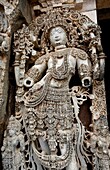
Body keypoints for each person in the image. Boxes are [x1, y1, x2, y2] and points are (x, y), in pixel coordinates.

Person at [23, 26, 92, 170]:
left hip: (62, 98)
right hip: (42, 97)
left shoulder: (76, 53)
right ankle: (47, 166)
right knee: (42, 135)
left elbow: (85, 71)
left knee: (64, 138)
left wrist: (86, 78)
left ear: (68, 35)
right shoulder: (46, 57)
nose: (56, 36)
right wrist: (29, 79)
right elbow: (35, 72)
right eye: (53, 34)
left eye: (60, 32)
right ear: (48, 40)